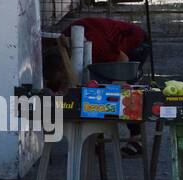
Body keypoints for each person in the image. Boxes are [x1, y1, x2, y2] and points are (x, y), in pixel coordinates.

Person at [60, 17, 151, 155]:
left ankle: (137, 139)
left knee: (126, 91)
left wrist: (118, 82)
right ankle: (94, 136)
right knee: (94, 86)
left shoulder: (96, 45)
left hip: (136, 43)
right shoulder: (63, 45)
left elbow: (122, 61)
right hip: (101, 40)